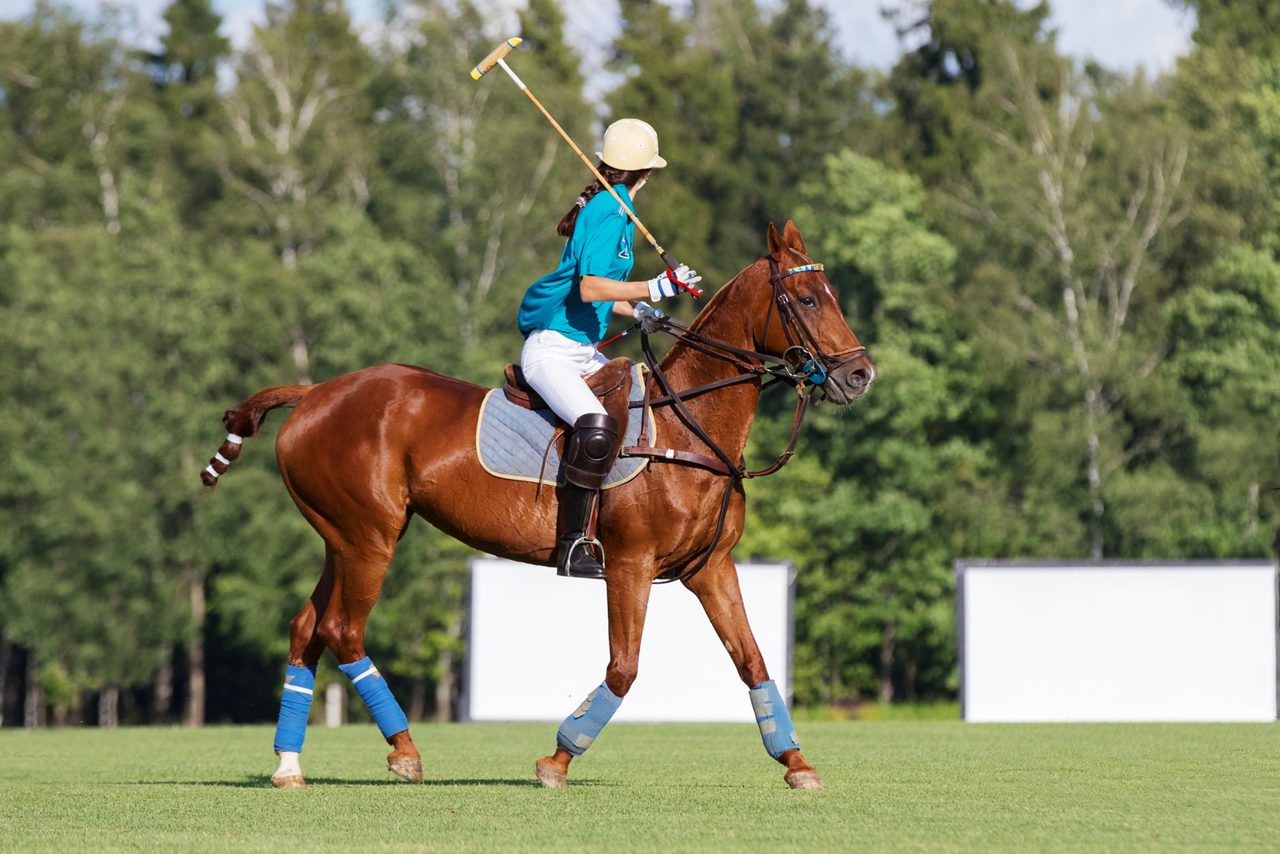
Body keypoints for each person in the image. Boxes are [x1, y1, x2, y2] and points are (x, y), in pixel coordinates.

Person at [517, 118, 701, 578]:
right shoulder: (608, 210)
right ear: (648, 173)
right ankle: (573, 543)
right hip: (553, 351)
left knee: (641, 409)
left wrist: (638, 310)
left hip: (580, 350)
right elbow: (588, 288)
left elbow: (606, 294)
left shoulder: (613, 208)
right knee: (596, 425)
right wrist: (654, 288)